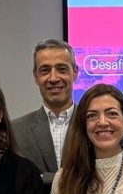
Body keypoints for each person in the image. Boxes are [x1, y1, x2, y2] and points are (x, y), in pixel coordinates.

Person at [12, 39, 79, 182]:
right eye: (45, 70)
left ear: (75, 73)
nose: (53, 78)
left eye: (62, 69)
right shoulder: (15, 131)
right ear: (36, 76)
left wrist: (43, 178)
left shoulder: (93, 125)